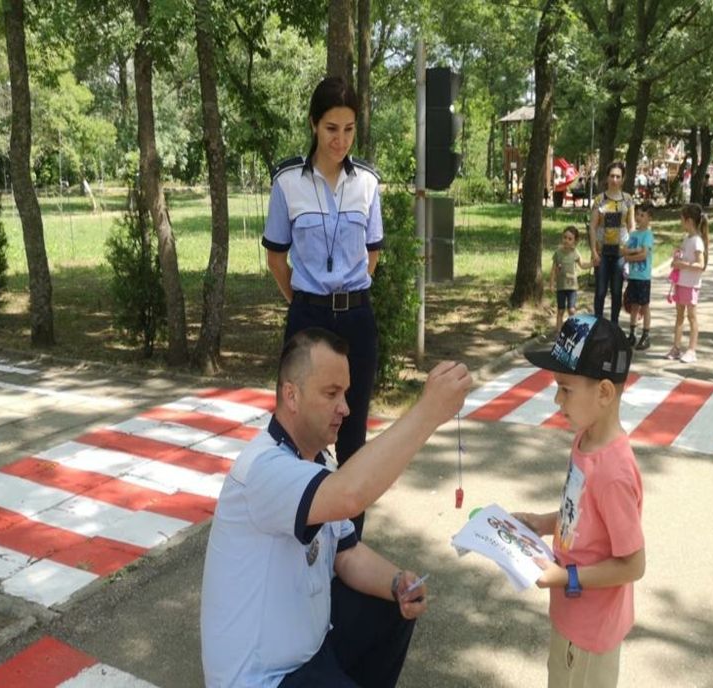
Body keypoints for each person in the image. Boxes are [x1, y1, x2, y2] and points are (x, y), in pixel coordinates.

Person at [200, 328, 471, 687]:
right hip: (262, 678)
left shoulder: (318, 462)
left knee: (390, 607)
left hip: (307, 656)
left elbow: (347, 553)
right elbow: (350, 495)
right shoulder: (263, 469)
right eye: (331, 393)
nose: (345, 407)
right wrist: (428, 412)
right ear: (291, 396)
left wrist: (396, 583)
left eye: (345, 393)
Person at [262, 76, 383, 537]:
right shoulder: (288, 182)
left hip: (356, 317)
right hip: (307, 314)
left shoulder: (367, 183)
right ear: (314, 125)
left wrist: (347, 295)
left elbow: (371, 253)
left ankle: (349, 540)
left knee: (351, 433)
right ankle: (299, 530)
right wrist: (305, 302)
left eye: (349, 129)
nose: (340, 140)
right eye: (332, 128)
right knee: (297, 426)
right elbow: (277, 258)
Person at [514, 314, 645, 688]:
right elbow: (585, 514)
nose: (557, 400)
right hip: (570, 614)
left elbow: (633, 564)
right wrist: (542, 522)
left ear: (604, 392)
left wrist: (566, 576)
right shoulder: (585, 440)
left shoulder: (614, 472)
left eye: (565, 389)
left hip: (593, 630)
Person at [588, 162, 634, 326]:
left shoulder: (628, 199)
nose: (614, 179)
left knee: (616, 291)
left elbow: (631, 226)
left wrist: (630, 250)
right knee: (600, 292)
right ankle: (597, 325)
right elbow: (593, 227)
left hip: (620, 253)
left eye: (618, 176)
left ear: (623, 179)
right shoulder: (600, 200)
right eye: (612, 176)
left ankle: (614, 326)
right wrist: (593, 251)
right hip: (602, 252)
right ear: (607, 178)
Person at [665, 204, 709, 363]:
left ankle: (692, 349)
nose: (681, 222)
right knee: (679, 315)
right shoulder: (687, 238)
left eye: (682, 219)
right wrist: (677, 259)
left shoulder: (697, 241)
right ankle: (676, 347)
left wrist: (682, 265)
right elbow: (685, 257)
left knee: (691, 316)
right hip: (681, 282)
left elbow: (700, 265)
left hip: (691, 284)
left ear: (689, 221)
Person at [621, 201, 655, 351]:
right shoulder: (633, 234)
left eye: (643, 215)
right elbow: (624, 250)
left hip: (643, 277)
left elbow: (644, 255)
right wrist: (635, 251)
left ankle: (646, 335)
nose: (639, 217)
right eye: (638, 214)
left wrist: (630, 256)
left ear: (649, 218)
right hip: (633, 277)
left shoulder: (648, 235)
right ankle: (632, 333)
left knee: (644, 306)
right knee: (633, 306)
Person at [550, 226, 587, 336]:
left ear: (575, 241)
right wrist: (552, 283)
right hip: (561, 287)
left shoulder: (575, 253)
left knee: (571, 310)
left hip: (572, 287)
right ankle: (559, 332)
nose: (566, 240)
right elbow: (553, 270)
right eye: (565, 237)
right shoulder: (558, 253)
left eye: (570, 239)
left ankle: (573, 330)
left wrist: (593, 264)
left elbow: (582, 265)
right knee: (560, 310)